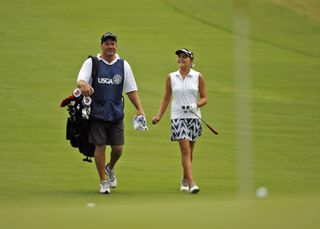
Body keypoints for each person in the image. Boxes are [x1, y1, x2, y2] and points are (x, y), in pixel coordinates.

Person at [77, 32, 145, 194]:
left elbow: (131, 90)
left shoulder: (123, 65)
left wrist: (139, 109)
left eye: (112, 44)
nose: (110, 47)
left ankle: (110, 168)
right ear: (101, 45)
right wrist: (83, 85)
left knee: (118, 148)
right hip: (97, 112)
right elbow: (81, 80)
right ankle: (103, 181)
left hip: (115, 113)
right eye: (107, 44)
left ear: (116, 46)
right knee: (99, 147)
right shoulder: (92, 62)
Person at [152, 48, 207, 194]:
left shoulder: (197, 76)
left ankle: (184, 177)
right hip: (177, 117)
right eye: (179, 57)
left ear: (191, 61)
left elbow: (204, 98)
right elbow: (166, 98)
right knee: (185, 149)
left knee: (190, 151)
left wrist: (195, 104)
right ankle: (191, 183)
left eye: (185, 57)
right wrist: (159, 116)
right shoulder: (171, 77)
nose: (181, 59)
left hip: (194, 117)